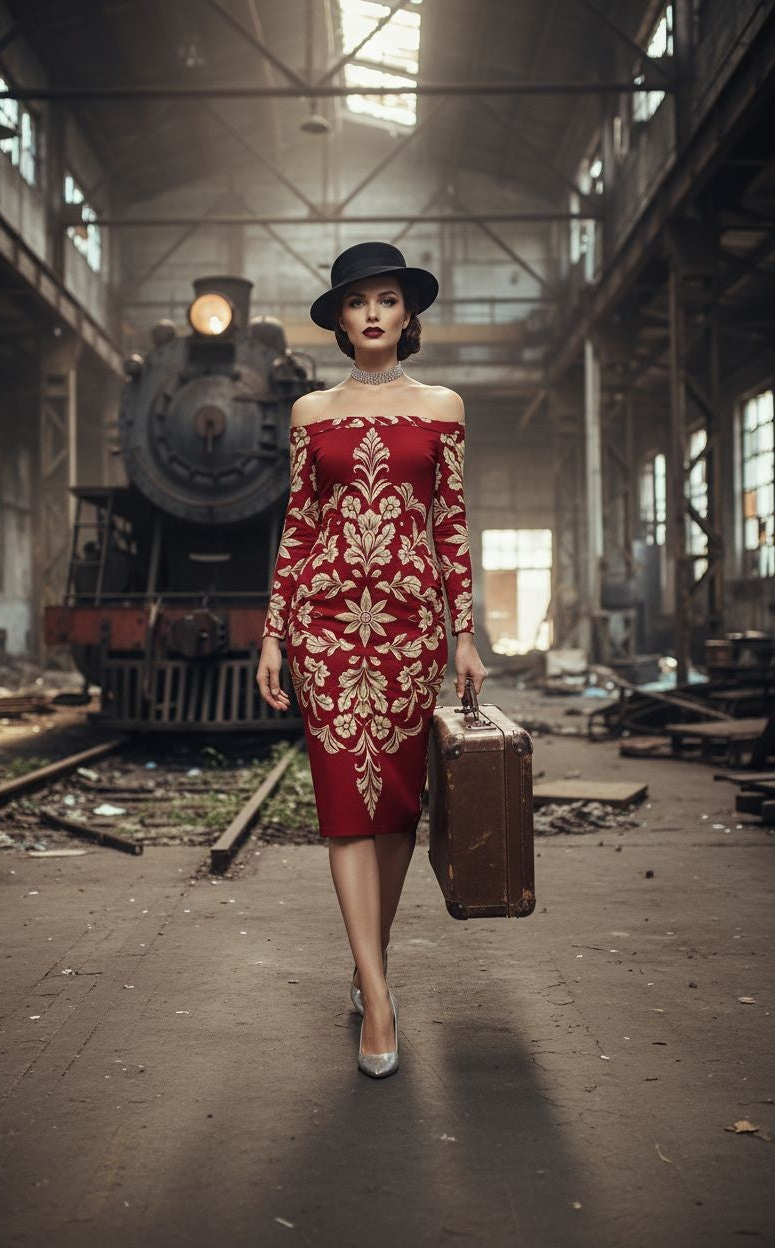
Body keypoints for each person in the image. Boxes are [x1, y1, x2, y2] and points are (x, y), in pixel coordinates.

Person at [256, 241, 487, 1078]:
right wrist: (275, 633)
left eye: (386, 299)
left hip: (411, 624)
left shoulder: (445, 406)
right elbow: (299, 529)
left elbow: (452, 524)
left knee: (395, 805)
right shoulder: (311, 414)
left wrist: (465, 633)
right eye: (357, 303)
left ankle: (365, 964)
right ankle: (381, 997)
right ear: (341, 321)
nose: (373, 314)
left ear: (407, 314)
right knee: (343, 804)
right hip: (324, 625)